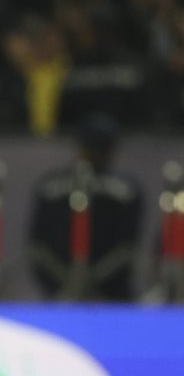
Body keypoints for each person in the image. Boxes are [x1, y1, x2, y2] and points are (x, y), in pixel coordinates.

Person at [28, 113, 142, 300]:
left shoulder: (48, 185)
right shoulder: (129, 190)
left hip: (61, 292)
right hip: (105, 295)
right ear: (113, 150)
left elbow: (35, 243)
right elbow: (129, 244)